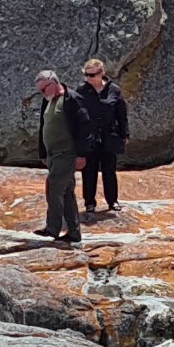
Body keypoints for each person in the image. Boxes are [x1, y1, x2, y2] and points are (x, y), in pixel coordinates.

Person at [34, 69, 94, 243]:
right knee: (67, 192)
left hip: (67, 154)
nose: (42, 93)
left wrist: (82, 154)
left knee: (53, 187)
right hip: (53, 155)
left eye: (44, 89)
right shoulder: (48, 101)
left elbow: (85, 127)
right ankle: (74, 232)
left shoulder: (71, 99)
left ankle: (53, 229)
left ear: (54, 83)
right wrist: (43, 153)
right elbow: (43, 126)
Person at [76, 58, 130, 215]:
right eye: (86, 75)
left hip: (109, 136)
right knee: (89, 171)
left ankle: (112, 201)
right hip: (89, 137)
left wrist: (124, 134)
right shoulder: (81, 91)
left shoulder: (114, 90)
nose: (89, 78)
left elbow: (121, 114)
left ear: (102, 73)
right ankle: (89, 203)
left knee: (109, 170)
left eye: (92, 75)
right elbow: (76, 116)